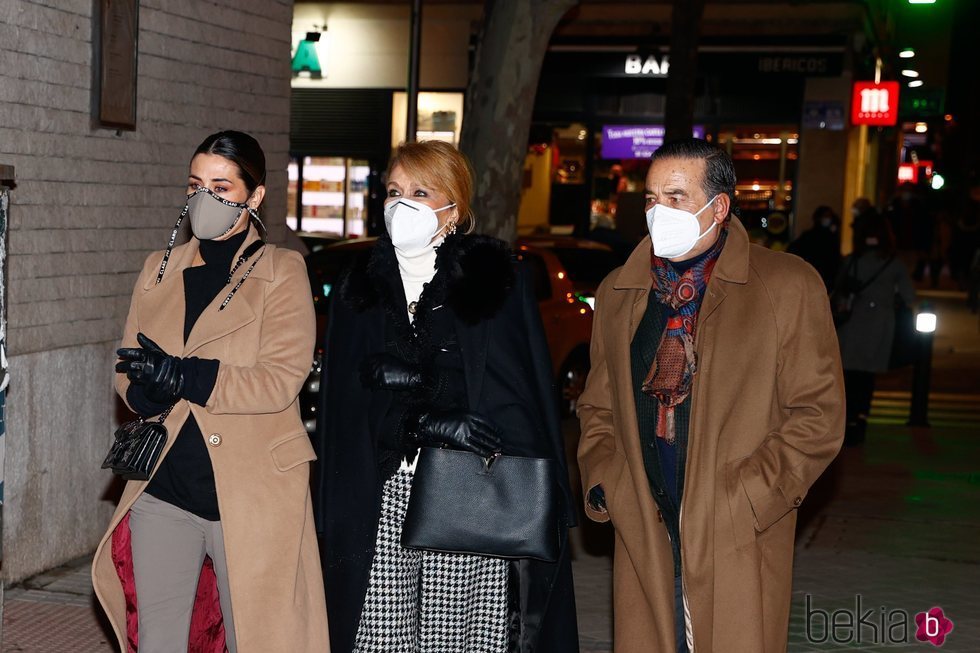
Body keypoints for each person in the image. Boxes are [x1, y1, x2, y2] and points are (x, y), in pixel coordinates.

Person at [577, 138, 844, 653]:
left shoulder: (786, 286)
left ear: (718, 207)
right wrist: (609, 481)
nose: (659, 211)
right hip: (646, 524)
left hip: (736, 530)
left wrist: (748, 498)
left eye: (677, 197)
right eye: (652, 198)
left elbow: (818, 414)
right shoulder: (619, 291)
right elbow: (597, 406)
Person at [313, 140, 578, 653]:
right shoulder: (360, 288)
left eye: (420, 191)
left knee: (455, 640)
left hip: (465, 494)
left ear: (453, 208)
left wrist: (424, 390)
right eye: (393, 191)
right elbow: (347, 408)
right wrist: (419, 423)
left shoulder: (493, 281)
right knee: (378, 636)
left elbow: (509, 396)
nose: (401, 203)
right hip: (383, 491)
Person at [92, 131, 329, 652]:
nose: (206, 199)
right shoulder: (159, 270)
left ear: (255, 196)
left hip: (253, 489)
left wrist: (185, 376)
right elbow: (127, 370)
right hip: (164, 487)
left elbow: (280, 379)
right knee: (158, 639)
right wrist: (148, 391)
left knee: (260, 638)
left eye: (222, 187)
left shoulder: (282, 272)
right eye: (196, 184)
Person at [834, 214, 915, 445]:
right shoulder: (893, 263)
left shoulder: (852, 260)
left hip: (853, 320)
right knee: (867, 374)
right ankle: (861, 418)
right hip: (880, 322)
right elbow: (909, 296)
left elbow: (838, 287)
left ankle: (847, 419)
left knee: (849, 373)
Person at [787, 205, 842, 290]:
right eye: (825, 216)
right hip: (813, 276)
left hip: (824, 278)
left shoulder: (831, 237)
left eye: (829, 216)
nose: (827, 219)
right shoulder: (810, 236)